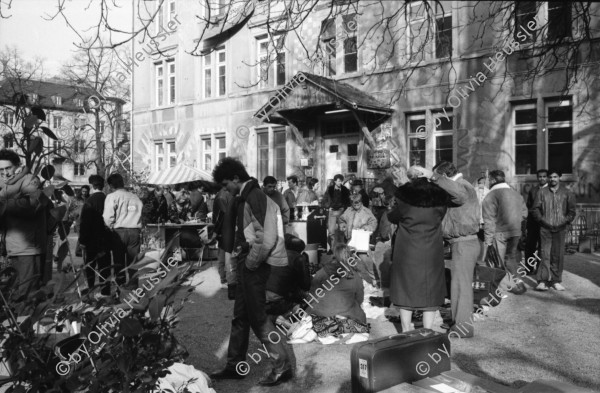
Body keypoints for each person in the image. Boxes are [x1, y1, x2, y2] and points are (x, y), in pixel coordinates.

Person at [210, 157, 292, 386]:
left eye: (226, 184)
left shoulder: (254, 197)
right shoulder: (247, 196)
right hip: (249, 264)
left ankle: (282, 365)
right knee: (241, 316)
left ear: (236, 178)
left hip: (255, 266)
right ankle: (235, 365)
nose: (226, 189)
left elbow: (267, 238)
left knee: (259, 318)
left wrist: (249, 263)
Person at [387, 166, 449, 332]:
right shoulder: (440, 199)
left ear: (411, 180)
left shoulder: (404, 199)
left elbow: (392, 217)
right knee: (431, 290)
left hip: (407, 250)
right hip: (432, 250)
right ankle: (428, 330)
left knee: (405, 289)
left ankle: (406, 331)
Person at [430, 161, 480, 338]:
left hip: (464, 244)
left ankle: (463, 328)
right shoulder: (462, 185)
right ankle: (460, 321)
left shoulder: (461, 186)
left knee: (461, 287)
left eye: (439, 178)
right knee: (459, 285)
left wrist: (433, 178)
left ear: (444, 176)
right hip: (462, 243)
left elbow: (459, 196)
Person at [0, 149, 50, 301]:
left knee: (28, 295)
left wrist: (4, 204)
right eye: (0, 170)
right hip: (12, 247)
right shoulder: (4, 186)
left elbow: (32, 205)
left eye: (8, 168)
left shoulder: (29, 180)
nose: (5, 173)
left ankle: (28, 323)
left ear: (18, 166)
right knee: (16, 294)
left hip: (28, 249)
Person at [304, 243, 368, 340]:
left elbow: (312, 296)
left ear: (334, 255)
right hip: (349, 322)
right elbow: (360, 299)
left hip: (322, 320)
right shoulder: (355, 275)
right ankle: (340, 327)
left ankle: (328, 328)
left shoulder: (322, 272)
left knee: (312, 318)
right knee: (359, 321)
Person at [481, 170, 528, 294]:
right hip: (515, 231)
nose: (486, 182)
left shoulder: (491, 196)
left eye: (487, 180)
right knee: (511, 258)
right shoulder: (516, 194)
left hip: (499, 232)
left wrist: (488, 241)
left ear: (492, 180)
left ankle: (499, 288)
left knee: (497, 261)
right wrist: (516, 223)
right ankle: (518, 282)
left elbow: (489, 220)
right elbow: (524, 213)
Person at [532, 169, 576, 291]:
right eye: (550, 177)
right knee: (544, 254)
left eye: (555, 177)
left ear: (559, 178)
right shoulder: (542, 192)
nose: (552, 179)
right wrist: (543, 221)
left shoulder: (567, 193)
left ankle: (556, 280)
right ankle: (542, 281)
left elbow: (572, 211)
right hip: (545, 228)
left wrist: (564, 222)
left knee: (558, 255)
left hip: (560, 229)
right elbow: (535, 209)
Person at [103, 173, 143, 287]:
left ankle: (120, 290)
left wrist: (110, 227)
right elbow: (140, 213)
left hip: (119, 232)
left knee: (118, 263)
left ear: (111, 185)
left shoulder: (112, 196)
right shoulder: (135, 197)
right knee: (133, 263)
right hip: (134, 231)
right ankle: (134, 290)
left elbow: (107, 217)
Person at [79, 175, 111, 296]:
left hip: (91, 239)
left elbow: (84, 223)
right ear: (103, 186)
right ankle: (105, 291)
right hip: (105, 237)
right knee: (105, 266)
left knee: (90, 266)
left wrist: (82, 240)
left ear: (92, 186)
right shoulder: (108, 199)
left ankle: (90, 289)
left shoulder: (89, 201)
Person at [337, 194, 378, 289]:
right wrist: (342, 225)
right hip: (350, 240)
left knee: (367, 260)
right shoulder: (348, 210)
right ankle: (347, 279)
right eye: (353, 203)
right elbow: (341, 220)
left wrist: (367, 228)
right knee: (346, 259)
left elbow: (373, 223)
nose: (356, 205)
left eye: (357, 203)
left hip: (361, 240)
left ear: (361, 202)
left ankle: (375, 280)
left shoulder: (367, 212)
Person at [266, 234, 311, 316]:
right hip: (277, 303)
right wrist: (306, 264)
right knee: (310, 298)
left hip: (259, 299)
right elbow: (306, 286)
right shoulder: (298, 258)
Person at [213, 186, 235, 294]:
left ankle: (224, 279)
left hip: (223, 231)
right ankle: (224, 279)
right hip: (225, 231)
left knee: (224, 256)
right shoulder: (223, 197)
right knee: (225, 257)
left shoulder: (221, 195)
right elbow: (223, 216)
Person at [525, 169, 548, 274]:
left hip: (545, 223)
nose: (542, 178)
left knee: (542, 247)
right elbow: (529, 206)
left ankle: (540, 269)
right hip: (533, 223)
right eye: (540, 177)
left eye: (544, 176)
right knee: (530, 246)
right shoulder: (533, 190)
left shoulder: (550, 190)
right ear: (537, 178)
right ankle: (529, 269)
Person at [321, 174, 350, 249]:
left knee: (342, 231)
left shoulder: (345, 190)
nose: (340, 183)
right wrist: (328, 207)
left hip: (341, 212)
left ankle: (342, 249)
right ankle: (332, 249)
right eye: (339, 181)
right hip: (332, 212)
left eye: (341, 181)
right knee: (331, 232)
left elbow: (348, 201)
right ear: (335, 181)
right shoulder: (329, 189)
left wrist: (344, 208)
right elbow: (324, 200)